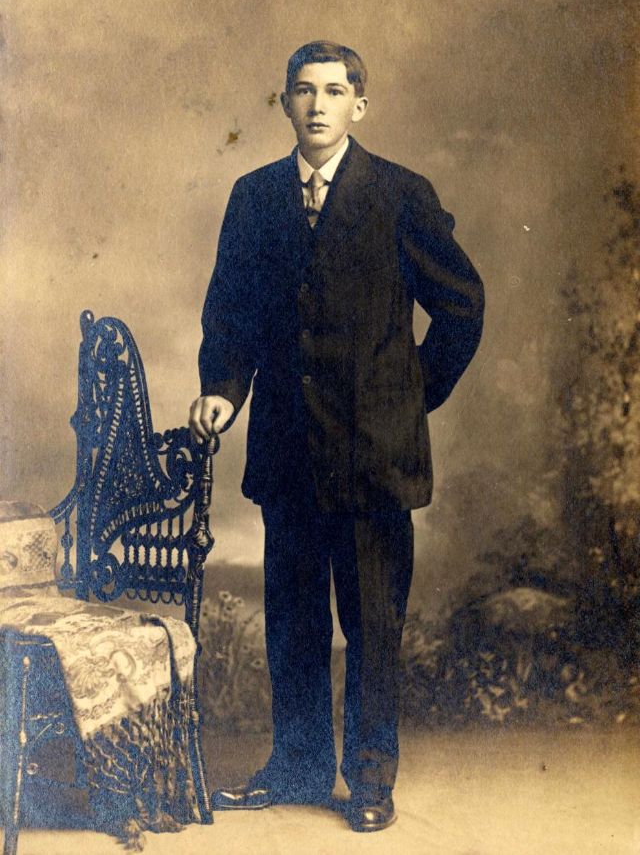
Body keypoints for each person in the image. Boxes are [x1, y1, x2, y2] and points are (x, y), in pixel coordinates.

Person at [189, 41, 484, 832]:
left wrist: (409, 396)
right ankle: (298, 767)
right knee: (293, 619)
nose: (317, 105)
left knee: (372, 624)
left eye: (333, 91)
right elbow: (231, 314)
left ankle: (371, 778)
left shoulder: (400, 195)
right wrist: (222, 392)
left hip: (373, 459)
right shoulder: (254, 197)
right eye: (302, 91)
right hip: (287, 452)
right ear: (285, 103)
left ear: (360, 105)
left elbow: (462, 305)